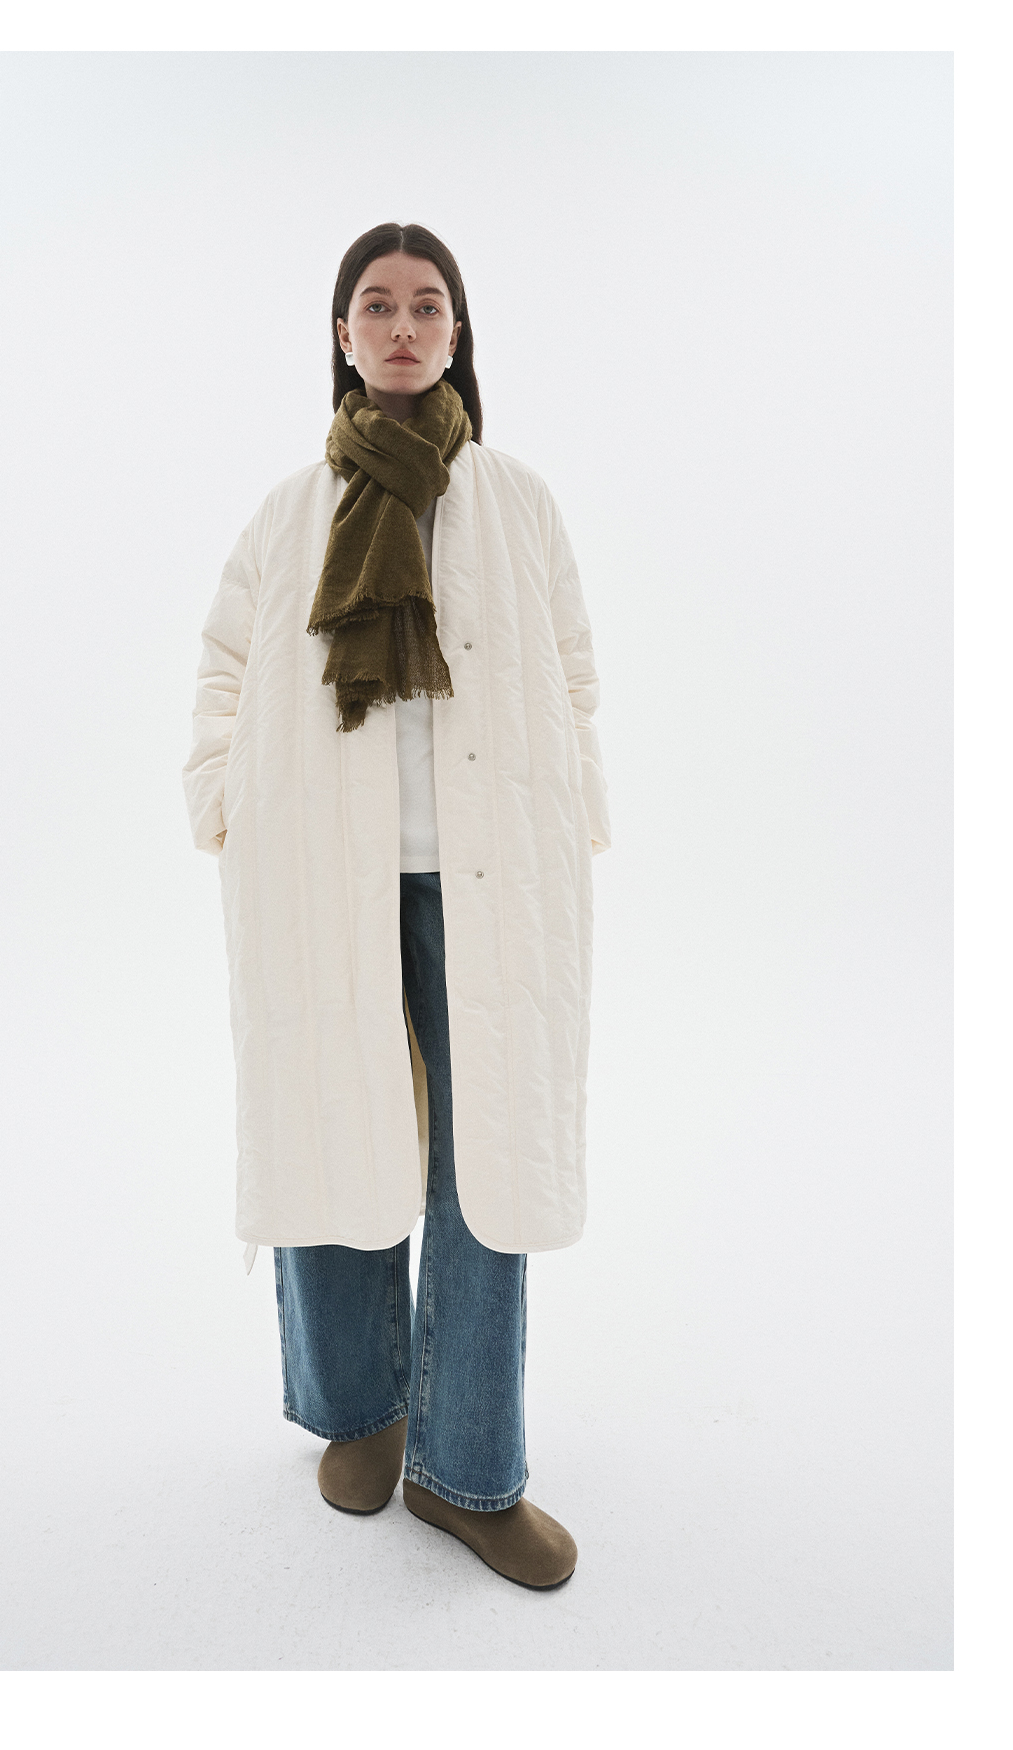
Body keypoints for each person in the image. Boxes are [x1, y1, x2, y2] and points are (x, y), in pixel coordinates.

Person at [182, 222, 611, 1590]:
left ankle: (468, 1467)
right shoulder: (288, 513)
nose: (405, 325)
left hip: (490, 877)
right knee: (330, 1123)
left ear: (458, 332)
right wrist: (222, 799)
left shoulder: (518, 502)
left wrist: (576, 804)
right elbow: (225, 667)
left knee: (484, 1166)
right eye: (378, 304)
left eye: (428, 305)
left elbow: (574, 671)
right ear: (343, 335)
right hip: (320, 873)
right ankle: (359, 1408)